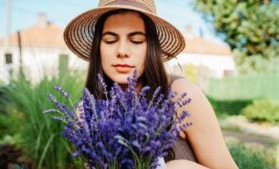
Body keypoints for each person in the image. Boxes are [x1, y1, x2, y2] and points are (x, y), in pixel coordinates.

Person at [63, 0, 238, 169]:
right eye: (110, 40)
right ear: (98, 48)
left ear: (151, 47)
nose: (122, 51)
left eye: (137, 40)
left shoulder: (182, 95)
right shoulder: (90, 111)